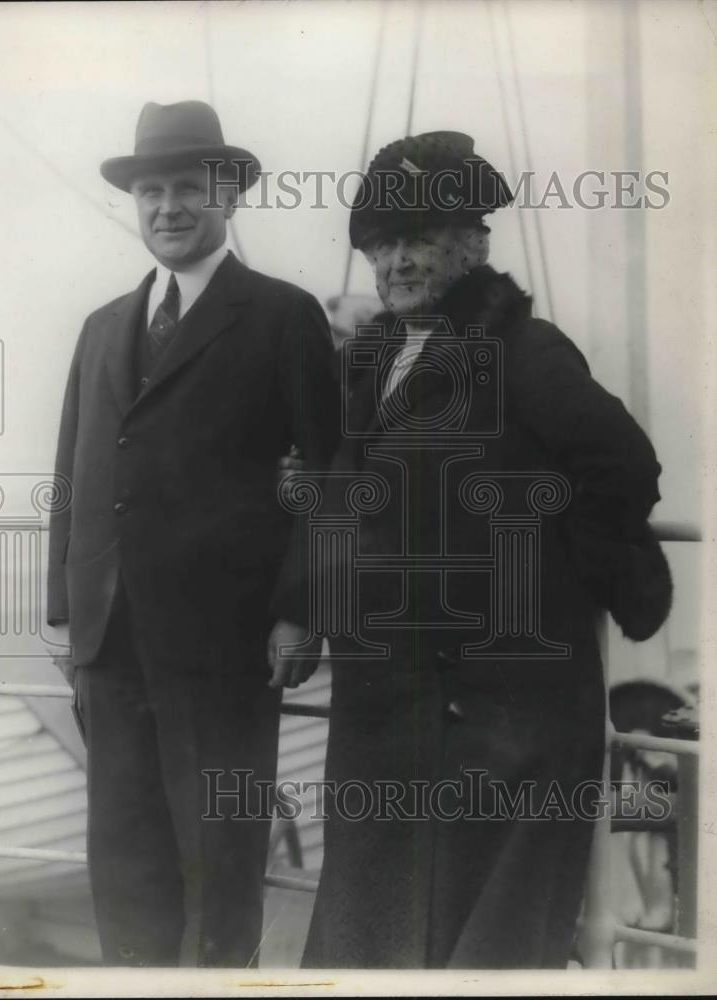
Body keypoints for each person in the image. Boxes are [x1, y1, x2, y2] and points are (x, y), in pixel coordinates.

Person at [270, 130, 672, 968]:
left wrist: (542, 575)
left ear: (472, 244)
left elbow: (620, 465)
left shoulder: (523, 350)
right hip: (387, 708)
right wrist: (299, 610)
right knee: (374, 937)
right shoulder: (370, 361)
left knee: (479, 946)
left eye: (419, 238)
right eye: (383, 244)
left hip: (501, 711)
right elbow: (339, 497)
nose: (398, 262)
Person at [46, 100, 339, 967]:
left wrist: (297, 611)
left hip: (225, 644)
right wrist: (68, 613)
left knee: (218, 859)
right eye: (151, 192)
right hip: (112, 641)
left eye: (188, 188)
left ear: (230, 195)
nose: (167, 207)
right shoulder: (104, 326)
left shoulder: (283, 316)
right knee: (125, 860)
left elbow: (326, 476)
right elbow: (74, 475)